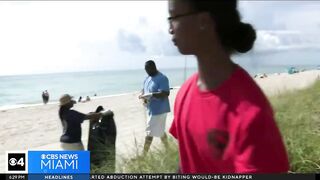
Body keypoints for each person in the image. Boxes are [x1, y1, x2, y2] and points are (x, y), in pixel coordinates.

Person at [167, 0, 289, 173]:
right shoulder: (184, 94)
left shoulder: (251, 115)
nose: (170, 28)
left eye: (174, 17)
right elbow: (187, 162)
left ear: (203, 21)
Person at [139, 60, 170, 155]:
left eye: (148, 69)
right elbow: (144, 90)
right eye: (145, 70)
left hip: (160, 110)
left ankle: (143, 156)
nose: (147, 71)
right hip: (151, 109)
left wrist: (151, 95)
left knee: (150, 131)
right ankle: (169, 149)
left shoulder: (162, 78)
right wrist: (142, 95)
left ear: (153, 67)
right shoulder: (147, 78)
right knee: (160, 131)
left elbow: (166, 93)